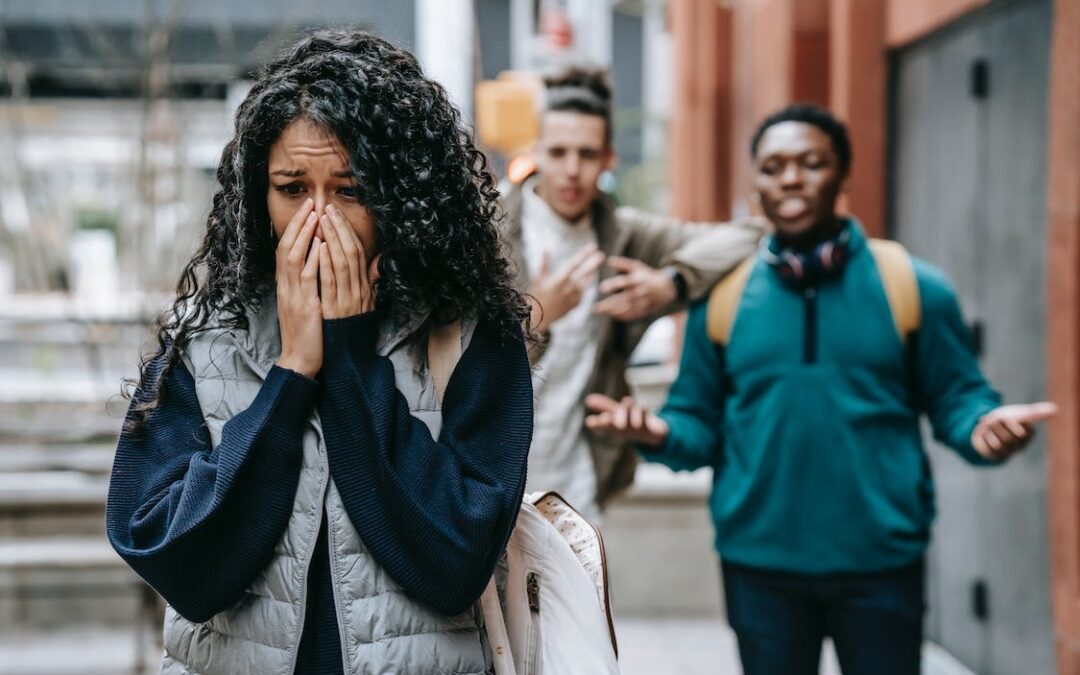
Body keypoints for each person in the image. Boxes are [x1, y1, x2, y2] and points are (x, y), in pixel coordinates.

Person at [105, 30, 534, 675]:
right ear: (259, 197)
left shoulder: (469, 337)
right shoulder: (206, 340)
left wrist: (352, 357)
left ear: (403, 199)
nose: (320, 220)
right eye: (293, 189)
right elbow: (176, 560)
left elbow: (455, 561)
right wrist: (292, 375)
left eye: (351, 191)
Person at [584, 104, 1057, 675]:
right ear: (755, 184)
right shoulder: (724, 298)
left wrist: (983, 429)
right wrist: (658, 433)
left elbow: (959, 397)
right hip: (760, 565)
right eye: (773, 166)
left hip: (881, 563)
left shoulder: (912, 285)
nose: (790, 178)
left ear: (842, 174)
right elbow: (695, 423)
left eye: (811, 163)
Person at [503, 65, 766, 519]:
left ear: (609, 158)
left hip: (579, 481)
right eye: (558, 152)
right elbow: (450, 361)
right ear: (537, 153)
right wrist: (536, 315)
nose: (571, 170)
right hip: (492, 473)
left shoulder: (622, 235)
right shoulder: (491, 232)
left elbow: (753, 233)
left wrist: (671, 283)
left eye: (586, 154)